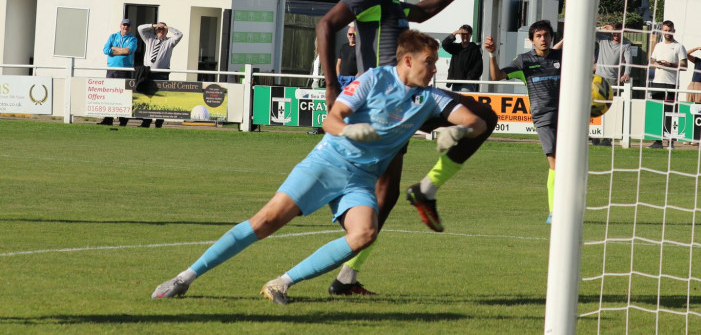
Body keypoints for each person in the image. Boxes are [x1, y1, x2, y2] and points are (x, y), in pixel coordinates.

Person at [151, 30, 488, 304]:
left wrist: (459, 130)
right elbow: (330, 119)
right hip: (327, 163)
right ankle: (184, 278)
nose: (435, 70)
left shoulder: (428, 96)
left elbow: (476, 122)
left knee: (364, 234)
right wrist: (348, 129)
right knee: (266, 221)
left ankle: (281, 283)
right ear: (408, 61)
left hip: (360, 180)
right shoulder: (374, 79)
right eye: (430, 63)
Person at [315, 0, 499, 295]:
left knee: (386, 195)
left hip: (399, 99)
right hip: (390, 97)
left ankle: (345, 279)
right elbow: (326, 25)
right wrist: (330, 85)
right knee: (482, 116)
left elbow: (422, 12)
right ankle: (425, 191)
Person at [484, 19, 562, 223]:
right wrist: (492, 54)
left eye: (546, 35)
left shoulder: (561, 58)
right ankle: (554, 212)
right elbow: (496, 76)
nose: (543, 39)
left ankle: (567, 208)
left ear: (551, 37)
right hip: (543, 117)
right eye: (538, 36)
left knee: (569, 165)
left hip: (567, 117)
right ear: (531, 40)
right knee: (554, 162)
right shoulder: (524, 61)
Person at [135, 21, 184, 127]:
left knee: (161, 98)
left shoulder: (170, 41)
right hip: (148, 72)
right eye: (158, 28)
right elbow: (140, 28)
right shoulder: (149, 39)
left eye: (162, 29)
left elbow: (180, 34)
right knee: (148, 97)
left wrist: (168, 27)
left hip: (162, 73)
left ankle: (159, 122)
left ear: (166, 31)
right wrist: (154, 25)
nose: (160, 30)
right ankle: (146, 121)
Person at [648, 21, 687, 148]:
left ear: (673, 31)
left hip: (671, 83)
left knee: (670, 112)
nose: (667, 33)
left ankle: (670, 141)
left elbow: (684, 66)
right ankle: (657, 141)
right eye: (665, 30)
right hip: (657, 82)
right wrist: (656, 64)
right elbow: (652, 61)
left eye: (669, 30)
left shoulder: (679, 47)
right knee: (657, 112)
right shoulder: (658, 46)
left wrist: (669, 64)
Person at [99, 18, 138, 126]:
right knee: (109, 95)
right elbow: (106, 50)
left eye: (128, 26)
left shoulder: (133, 39)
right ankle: (108, 120)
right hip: (112, 70)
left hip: (124, 70)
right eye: (124, 25)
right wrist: (121, 50)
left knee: (124, 96)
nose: (125, 27)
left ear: (130, 28)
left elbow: (128, 51)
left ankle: (123, 121)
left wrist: (115, 49)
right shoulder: (113, 36)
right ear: (120, 26)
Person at [441, 24, 483, 92]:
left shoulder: (475, 49)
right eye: (463, 34)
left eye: (467, 34)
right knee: (456, 102)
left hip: (468, 84)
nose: (465, 36)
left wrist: (469, 79)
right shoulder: (456, 48)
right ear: (460, 35)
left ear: (470, 35)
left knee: (465, 102)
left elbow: (478, 67)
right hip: (456, 83)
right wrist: (455, 33)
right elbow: (445, 44)